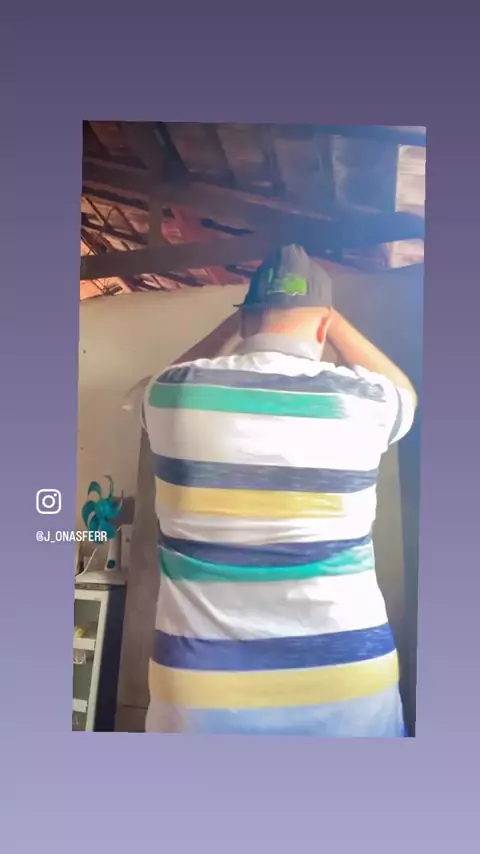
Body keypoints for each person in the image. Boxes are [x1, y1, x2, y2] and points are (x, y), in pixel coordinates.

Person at [142, 244, 417, 736]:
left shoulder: (170, 394)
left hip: (201, 690)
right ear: (323, 326)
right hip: (346, 683)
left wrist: (238, 324)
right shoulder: (366, 399)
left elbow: (158, 380)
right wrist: (334, 319)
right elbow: (406, 393)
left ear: (246, 321)